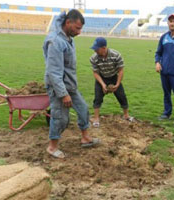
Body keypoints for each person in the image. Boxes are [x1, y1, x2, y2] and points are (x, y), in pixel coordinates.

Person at [43, 9, 100, 159]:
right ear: (68, 23)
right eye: (77, 28)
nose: (79, 32)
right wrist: (63, 94)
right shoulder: (56, 41)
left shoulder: (68, 38)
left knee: (83, 110)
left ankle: (85, 137)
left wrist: (70, 89)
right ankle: (52, 147)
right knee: (60, 118)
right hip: (58, 88)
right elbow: (53, 73)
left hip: (70, 86)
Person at [89, 37, 133, 127]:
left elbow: (120, 70)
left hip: (113, 77)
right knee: (98, 98)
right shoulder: (93, 58)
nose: (95, 51)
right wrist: (103, 85)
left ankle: (126, 115)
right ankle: (96, 118)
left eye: (97, 49)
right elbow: (95, 73)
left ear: (104, 48)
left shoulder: (116, 55)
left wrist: (117, 84)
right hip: (101, 78)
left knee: (122, 96)